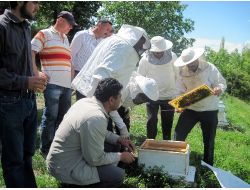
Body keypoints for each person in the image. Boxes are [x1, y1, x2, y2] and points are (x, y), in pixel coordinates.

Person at [47, 78, 136, 187]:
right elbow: (95, 159)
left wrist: (119, 139)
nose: (121, 100)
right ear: (111, 100)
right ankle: (72, 185)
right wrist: (121, 156)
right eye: (120, 97)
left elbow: (100, 132)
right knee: (117, 175)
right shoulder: (95, 117)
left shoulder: (85, 102)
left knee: (114, 146)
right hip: (65, 168)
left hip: (63, 160)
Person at [72, 24, 150, 138]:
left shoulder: (113, 41)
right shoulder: (123, 47)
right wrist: (122, 126)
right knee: (99, 135)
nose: (141, 47)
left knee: (94, 133)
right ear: (135, 39)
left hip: (89, 91)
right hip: (94, 96)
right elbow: (102, 81)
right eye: (141, 43)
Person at [0, 1, 45, 187]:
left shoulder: (26, 26)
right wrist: (25, 81)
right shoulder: (1, 27)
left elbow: (24, 61)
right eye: (35, 1)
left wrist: (36, 75)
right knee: (14, 160)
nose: (38, 6)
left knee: (27, 154)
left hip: (29, 100)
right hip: (8, 102)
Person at [31, 11, 77, 158]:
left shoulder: (66, 39)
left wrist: (71, 82)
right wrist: (36, 72)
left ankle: (56, 148)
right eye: (70, 24)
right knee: (50, 116)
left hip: (66, 86)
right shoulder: (44, 34)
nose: (71, 28)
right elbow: (30, 52)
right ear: (61, 20)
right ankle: (46, 150)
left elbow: (69, 62)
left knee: (63, 118)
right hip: (52, 84)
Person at [173, 47, 227, 166]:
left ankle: (208, 165)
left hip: (209, 109)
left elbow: (221, 82)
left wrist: (219, 88)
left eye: (192, 61)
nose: (190, 65)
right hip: (190, 110)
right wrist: (179, 105)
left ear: (197, 58)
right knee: (178, 134)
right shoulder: (182, 72)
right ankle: (175, 158)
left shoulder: (210, 67)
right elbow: (179, 91)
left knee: (209, 140)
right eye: (188, 63)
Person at [137, 36, 178, 140]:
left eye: (161, 51)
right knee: (151, 121)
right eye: (156, 51)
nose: (158, 53)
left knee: (168, 122)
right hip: (152, 96)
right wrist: (140, 92)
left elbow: (179, 74)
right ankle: (150, 143)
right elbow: (140, 77)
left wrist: (178, 94)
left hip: (169, 95)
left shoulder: (173, 57)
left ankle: (166, 143)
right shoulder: (145, 59)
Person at [107, 72, 159, 139]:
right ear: (139, 91)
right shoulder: (123, 90)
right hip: (106, 105)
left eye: (146, 99)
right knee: (107, 130)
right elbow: (111, 109)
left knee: (124, 124)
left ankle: (122, 146)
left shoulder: (135, 87)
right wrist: (122, 127)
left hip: (119, 104)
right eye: (143, 97)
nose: (143, 101)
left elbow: (125, 103)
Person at [70, 19, 113, 100]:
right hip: (79, 74)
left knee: (91, 101)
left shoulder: (103, 41)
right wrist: (71, 76)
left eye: (110, 30)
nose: (108, 32)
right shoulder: (82, 35)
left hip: (93, 76)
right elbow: (70, 55)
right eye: (107, 29)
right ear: (99, 25)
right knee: (82, 101)